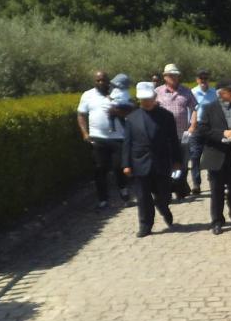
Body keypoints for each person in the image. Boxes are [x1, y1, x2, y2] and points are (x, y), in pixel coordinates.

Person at [122, 82, 181, 238]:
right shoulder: (131, 118)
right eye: (143, 99)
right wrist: (126, 164)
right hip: (140, 162)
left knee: (163, 194)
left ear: (154, 97)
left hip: (161, 161)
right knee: (142, 196)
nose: (146, 102)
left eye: (149, 98)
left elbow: (173, 140)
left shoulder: (166, 116)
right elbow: (127, 142)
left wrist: (177, 160)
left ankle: (164, 208)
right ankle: (145, 224)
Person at [194, 80, 231, 235]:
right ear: (221, 93)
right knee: (216, 190)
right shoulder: (209, 109)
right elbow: (202, 130)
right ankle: (217, 221)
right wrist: (222, 134)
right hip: (216, 155)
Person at [77, 70, 131, 209]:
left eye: (103, 80)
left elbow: (132, 109)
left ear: (108, 81)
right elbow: (81, 115)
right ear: (94, 81)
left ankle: (124, 191)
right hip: (98, 138)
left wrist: (117, 111)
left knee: (120, 166)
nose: (101, 82)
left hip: (118, 137)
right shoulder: (87, 95)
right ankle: (103, 199)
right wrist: (85, 133)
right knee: (100, 169)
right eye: (98, 80)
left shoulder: (118, 92)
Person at [155, 63, 197, 200]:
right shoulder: (157, 92)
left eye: (176, 75)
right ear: (165, 77)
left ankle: (179, 187)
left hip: (182, 134)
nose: (174, 77)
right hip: (164, 136)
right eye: (171, 75)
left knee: (183, 163)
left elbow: (195, 108)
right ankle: (169, 188)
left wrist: (192, 125)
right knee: (167, 163)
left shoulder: (186, 91)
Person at [186, 68, 218, 195]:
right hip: (196, 126)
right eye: (201, 78)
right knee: (195, 156)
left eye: (206, 78)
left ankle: (212, 179)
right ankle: (196, 183)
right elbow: (189, 110)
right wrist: (189, 126)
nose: (203, 80)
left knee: (211, 154)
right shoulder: (192, 92)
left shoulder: (214, 93)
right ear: (197, 79)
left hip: (211, 126)